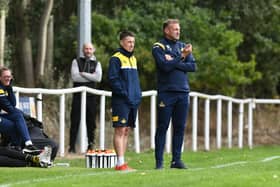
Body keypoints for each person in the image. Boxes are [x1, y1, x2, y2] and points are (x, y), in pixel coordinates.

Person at [152, 19, 196, 169]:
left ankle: (176, 160)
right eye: (175, 29)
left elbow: (193, 67)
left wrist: (175, 60)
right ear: (166, 30)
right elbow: (164, 66)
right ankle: (159, 162)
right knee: (162, 126)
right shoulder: (159, 47)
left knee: (180, 127)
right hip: (167, 93)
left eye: (179, 29)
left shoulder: (183, 46)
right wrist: (181, 57)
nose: (178, 31)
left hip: (183, 92)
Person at [108, 31, 141, 171]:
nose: (131, 45)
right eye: (129, 42)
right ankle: (120, 163)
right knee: (120, 130)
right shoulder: (116, 58)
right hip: (121, 101)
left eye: (133, 42)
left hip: (133, 101)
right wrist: (124, 94)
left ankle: (122, 162)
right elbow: (113, 79)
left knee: (127, 130)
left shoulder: (133, 59)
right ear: (121, 42)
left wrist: (137, 95)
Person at [69, 43, 102, 153]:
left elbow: (97, 78)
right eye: (86, 49)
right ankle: (71, 147)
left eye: (90, 49)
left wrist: (83, 74)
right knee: (75, 121)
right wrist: (90, 77)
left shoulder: (97, 63)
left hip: (91, 97)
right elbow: (75, 77)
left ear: (94, 50)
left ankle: (91, 146)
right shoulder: (76, 61)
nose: (88, 51)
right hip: (77, 96)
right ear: (83, 50)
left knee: (91, 122)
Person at [0, 67, 41, 155]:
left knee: (17, 117)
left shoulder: (5, 87)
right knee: (15, 121)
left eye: (9, 76)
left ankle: (24, 145)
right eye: (5, 77)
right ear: (0, 78)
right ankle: (17, 147)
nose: (8, 78)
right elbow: (8, 107)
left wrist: (9, 87)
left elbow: (13, 104)